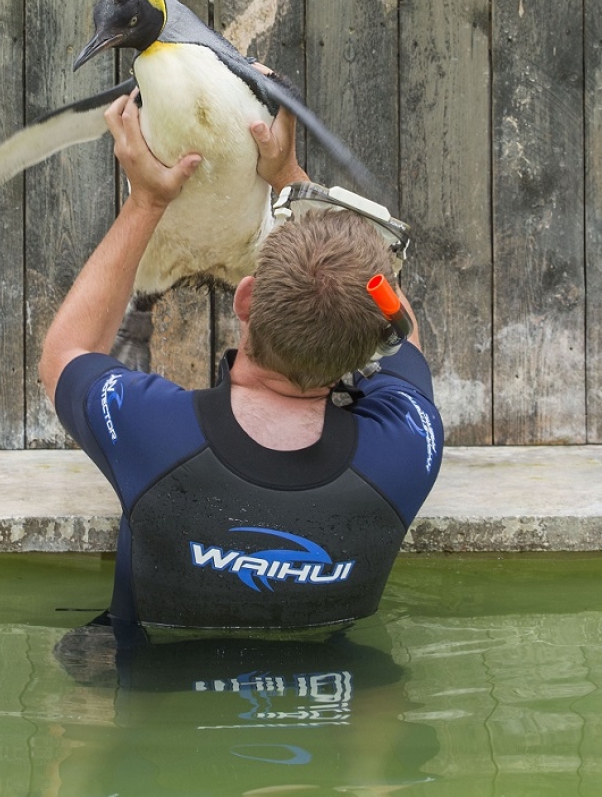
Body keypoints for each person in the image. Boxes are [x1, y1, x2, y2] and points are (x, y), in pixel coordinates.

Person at [39, 93, 443, 633]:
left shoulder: (150, 430)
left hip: (158, 697)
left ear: (245, 298)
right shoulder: (407, 446)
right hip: (332, 698)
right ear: (378, 337)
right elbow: (398, 326)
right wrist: (291, 178)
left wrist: (147, 202)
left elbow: (66, 353)